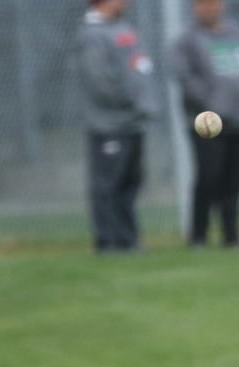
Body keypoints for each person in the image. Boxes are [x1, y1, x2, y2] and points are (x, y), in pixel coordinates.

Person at [172, 0, 239, 248]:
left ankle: (231, 235)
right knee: (208, 177)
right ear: (194, 8)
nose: (208, 8)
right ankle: (199, 236)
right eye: (202, 4)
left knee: (234, 179)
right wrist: (212, 104)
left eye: (213, 3)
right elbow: (185, 77)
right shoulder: (187, 40)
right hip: (209, 123)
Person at [76, 0, 157, 253]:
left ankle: (127, 239)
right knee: (107, 184)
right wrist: (133, 101)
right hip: (108, 124)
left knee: (129, 183)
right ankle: (107, 241)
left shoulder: (122, 28)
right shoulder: (92, 34)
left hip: (132, 123)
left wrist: (143, 101)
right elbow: (100, 82)